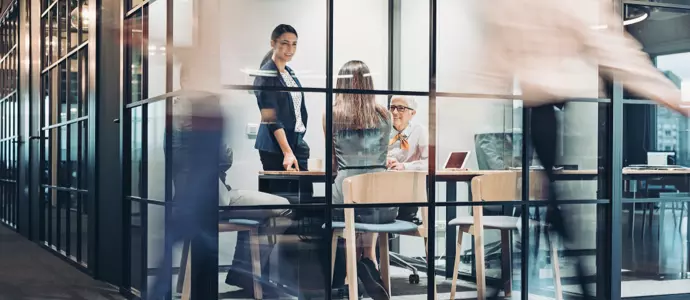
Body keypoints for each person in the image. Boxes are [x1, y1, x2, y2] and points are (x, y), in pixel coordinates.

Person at [477, 0, 689, 299]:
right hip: (545, 106)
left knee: (556, 207)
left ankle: (520, 279)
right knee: (557, 207)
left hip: (550, 104)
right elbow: (615, 54)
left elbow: (615, 54)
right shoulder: (525, 10)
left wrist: (671, 98)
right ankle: (572, 281)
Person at [324, 60, 395, 300]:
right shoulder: (385, 114)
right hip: (384, 202)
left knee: (349, 205)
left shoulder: (331, 114)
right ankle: (369, 259)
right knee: (369, 200)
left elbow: (333, 162)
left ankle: (349, 278)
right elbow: (383, 157)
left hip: (348, 196)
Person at [254, 24, 312, 198]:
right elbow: (271, 117)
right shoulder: (266, 74)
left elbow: (297, 108)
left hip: (295, 142)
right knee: (281, 201)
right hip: (275, 146)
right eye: (285, 43)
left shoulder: (289, 72)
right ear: (273, 43)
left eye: (294, 44)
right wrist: (287, 152)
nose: (290, 49)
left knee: (303, 197)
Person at [386, 95, 429, 171]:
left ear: (412, 113)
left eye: (401, 108)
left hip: (410, 180)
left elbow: (429, 163)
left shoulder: (419, 131)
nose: (394, 112)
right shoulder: (383, 130)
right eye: (392, 107)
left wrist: (405, 166)